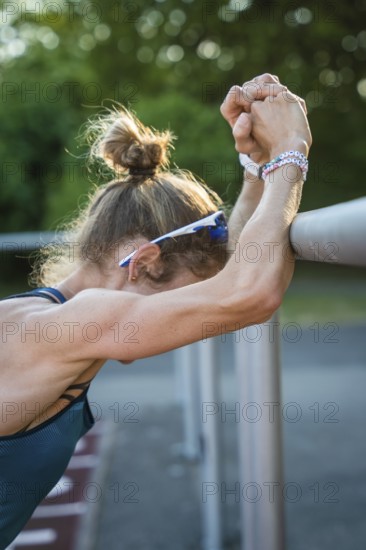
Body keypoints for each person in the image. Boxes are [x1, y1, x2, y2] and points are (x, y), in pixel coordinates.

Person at [0, 74, 311, 547]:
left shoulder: (50, 318)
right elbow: (246, 294)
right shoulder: (78, 324)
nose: (183, 319)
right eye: (180, 295)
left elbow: (233, 271)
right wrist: (292, 150)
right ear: (143, 261)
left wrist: (257, 168)